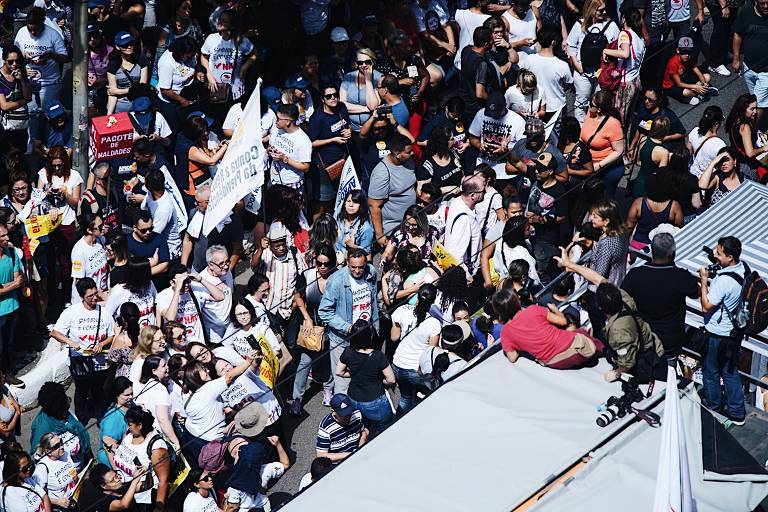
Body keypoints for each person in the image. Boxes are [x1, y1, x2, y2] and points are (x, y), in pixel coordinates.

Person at [621, 233, 700, 360]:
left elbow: (622, 298)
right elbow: (696, 293)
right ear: (672, 254)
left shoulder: (635, 274)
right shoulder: (682, 277)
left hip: (641, 339)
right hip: (669, 344)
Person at [698, 236, 747, 425]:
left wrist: (704, 280)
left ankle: (713, 408)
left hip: (717, 334)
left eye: (719, 254)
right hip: (733, 333)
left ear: (730, 257)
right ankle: (737, 412)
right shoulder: (743, 269)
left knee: (710, 372)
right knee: (730, 371)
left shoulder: (724, 282)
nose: (715, 256)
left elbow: (705, 306)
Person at [52, 278, 114, 424]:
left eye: (95, 294)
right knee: (81, 389)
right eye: (89, 296)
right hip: (79, 359)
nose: (94, 298)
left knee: (98, 388)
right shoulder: (71, 312)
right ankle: (82, 417)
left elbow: (112, 334)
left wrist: (102, 343)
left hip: (99, 359)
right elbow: (55, 332)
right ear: (81, 297)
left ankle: (99, 413)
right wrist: (70, 342)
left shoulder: (104, 312)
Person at [181, 350, 260, 463]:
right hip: (212, 440)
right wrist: (248, 361)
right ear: (196, 376)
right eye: (203, 370)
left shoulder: (187, 395)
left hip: (192, 437)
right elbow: (230, 376)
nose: (207, 370)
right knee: (245, 453)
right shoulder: (208, 388)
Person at [319, 248, 378, 395]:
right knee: (343, 383)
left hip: (366, 338)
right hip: (343, 340)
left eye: (361, 267)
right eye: (353, 267)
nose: (357, 271)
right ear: (347, 263)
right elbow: (324, 311)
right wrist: (348, 328)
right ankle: (343, 415)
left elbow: (374, 300)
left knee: (363, 378)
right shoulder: (337, 281)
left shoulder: (371, 272)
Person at [501, 296, 604, 369]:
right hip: (573, 346)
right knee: (582, 332)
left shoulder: (505, 331)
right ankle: (606, 352)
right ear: (516, 302)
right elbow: (563, 322)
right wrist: (555, 310)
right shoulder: (533, 309)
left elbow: (512, 357)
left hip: (555, 362)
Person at [292, 245, 336, 413]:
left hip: (331, 327)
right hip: (312, 326)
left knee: (329, 359)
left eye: (326, 264)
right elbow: (298, 296)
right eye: (319, 263)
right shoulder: (307, 275)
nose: (323, 267)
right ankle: (297, 398)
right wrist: (307, 318)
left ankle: (328, 388)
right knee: (305, 362)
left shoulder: (338, 277)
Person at [14, 7, 69, 141]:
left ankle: (48, 142)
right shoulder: (21, 33)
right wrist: (22, 59)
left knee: (48, 114)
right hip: (29, 81)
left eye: (36, 29)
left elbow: (65, 57)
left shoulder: (53, 34)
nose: (33, 32)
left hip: (49, 82)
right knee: (31, 112)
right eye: (30, 29)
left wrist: (52, 55)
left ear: (42, 25)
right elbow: (13, 55)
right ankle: (31, 142)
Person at [596, 281, 666, 383]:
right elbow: (599, 279)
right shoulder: (625, 300)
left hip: (648, 364)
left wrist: (616, 373)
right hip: (655, 348)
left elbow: (627, 362)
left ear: (600, 307)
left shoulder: (618, 332)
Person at [337, 320, 396, 434]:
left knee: (362, 426)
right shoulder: (378, 356)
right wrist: (380, 379)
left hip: (354, 398)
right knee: (384, 427)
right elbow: (391, 379)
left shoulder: (348, 352)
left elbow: (339, 372)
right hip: (374, 400)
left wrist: (353, 373)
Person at [251, 225, 305, 349]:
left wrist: (295, 303)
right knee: (274, 344)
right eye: (277, 246)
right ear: (270, 245)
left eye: (283, 245)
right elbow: (254, 266)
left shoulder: (294, 254)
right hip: (270, 309)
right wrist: (260, 248)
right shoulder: (265, 254)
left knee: (292, 344)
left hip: (290, 308)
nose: (281, 248)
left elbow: (302, 278)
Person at [108, 406, 171, 510]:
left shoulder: (157, 448)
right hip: (124, 493)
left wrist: (159, 508)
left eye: (130, 424)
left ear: (140, 425)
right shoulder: (130, 433)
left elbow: (163, 481)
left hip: (142, 501)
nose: (127, 426)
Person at [391, 284, 441, 413]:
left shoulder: (401, 310)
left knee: (405, 396)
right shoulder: (434, 324)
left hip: (397, 363)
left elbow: (394, 337)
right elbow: (431, 351)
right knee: (416, 400)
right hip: (415, 368)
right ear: (433, 300)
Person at [566, 0, 619, 122]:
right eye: (601, 10)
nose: (604, 12)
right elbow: (571, 46)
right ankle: (581, 128)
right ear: (591, 10)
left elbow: (617, 48)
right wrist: (577, 65)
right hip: (583, 73)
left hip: (602, 73)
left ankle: (597, 126)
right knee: (581, 103)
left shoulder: (611, 26)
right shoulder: (579, 25)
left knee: (601, 103)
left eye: (605, 9)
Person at [308, 83, 352, 216]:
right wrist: (333, 140)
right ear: (323, 99)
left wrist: (348, 131)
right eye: (329, 96)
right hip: (324, 165)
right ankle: (317, 230)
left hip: (342, 160)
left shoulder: (342, 108)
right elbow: (311, 142)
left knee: (340, 197)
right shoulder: (317, 118)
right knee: (322, 202)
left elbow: (347, 123)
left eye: (335, 95)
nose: (333, 98)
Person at [367, 133, 417, 246]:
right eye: (408, 152)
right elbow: (374, 206)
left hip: (411, 222)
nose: (412, 153)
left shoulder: (408, 161)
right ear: (398, 154)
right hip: (393, 227)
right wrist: (380, 235)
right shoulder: (382, 173)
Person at [468, 91, 526, 187]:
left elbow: (524, 149)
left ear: (505, 107)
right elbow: (473, 137)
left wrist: (507, 151)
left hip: (504, 174)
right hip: (483, 170)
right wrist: (479, 146)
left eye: (496, 113)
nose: (493, 116)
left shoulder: (518, 121)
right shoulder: (480, 114)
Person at [157, 262, 224, 342]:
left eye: (187, 280)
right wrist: (177, 290)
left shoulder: (195, 289)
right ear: (172, 282)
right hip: (178, 342)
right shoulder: (163, 295)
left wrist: (201, 280)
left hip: (198, 341)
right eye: (182, 282)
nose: (186, 284)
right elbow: (170, 318)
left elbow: (220, 297)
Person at [30, 382, 92, 470]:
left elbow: (81, 432)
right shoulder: (41, 428)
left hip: (83, 463)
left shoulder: (65, 411)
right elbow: (38, 457)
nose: (65, 414)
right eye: (61, 411)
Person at [601, 6, 645, 123]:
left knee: (618, 118)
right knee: (627, 117)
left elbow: (625, 54)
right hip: (636, 79)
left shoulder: (625, 34)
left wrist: (606, 51)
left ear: (624, 19)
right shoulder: (639, 36)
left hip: (625, 82)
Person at [516, 27, 573, 118]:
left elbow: (521, 77)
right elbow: (568, 84)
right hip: (556, 108)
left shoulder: (529, 59)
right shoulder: (562, 65)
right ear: (553, 42)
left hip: (535, 107)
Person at [580, 91, 625, 198]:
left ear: (599, 109)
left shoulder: (613, 124)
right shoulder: (590, 113)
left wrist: (599, 165)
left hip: (607, 169)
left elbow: (619, 151)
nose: (588, 106)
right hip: (589, 164)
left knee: (604, 198)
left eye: (591, 105)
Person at [134, 356, 181, 452]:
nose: (167, 367)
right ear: (154, 371)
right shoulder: (160, 389)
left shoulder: (145, 384)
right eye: (164, 366)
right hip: (161, 436)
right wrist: (176, 442)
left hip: (149, 434)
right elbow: (162, 419)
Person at [626, 173, 683, 251]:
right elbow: (678, 228)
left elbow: (629, 226)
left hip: (637, 247)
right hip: (660, 249)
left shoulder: (639, 203)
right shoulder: (674, 206)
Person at [443, 174, 485, 276]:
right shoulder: (464, 219)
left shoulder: (457, 202)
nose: (485, 192)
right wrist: (466, 275)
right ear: (473, 196)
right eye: (483, 191)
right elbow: (456, 253)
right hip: (467, 273)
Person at [732, 0, 768, 120]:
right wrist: (736, 58)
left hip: (766, 72)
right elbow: (738, 34)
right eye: (762, 3)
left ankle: (753, 133)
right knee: (754, 99)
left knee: (758, 104)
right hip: (749, 68)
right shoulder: (746, 11)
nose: (766, 6)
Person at [192, 245, 234, 343]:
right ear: (211, 264)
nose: (226, 266)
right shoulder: (199, 283)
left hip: (230, 326)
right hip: (213, 333)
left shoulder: (227, 273)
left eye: (227, 261)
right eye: (221, 264)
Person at [268, 103, 312, 190]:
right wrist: (269, 150)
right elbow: (270, 146)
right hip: (273, 181)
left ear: (288, 121)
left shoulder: (303, 140)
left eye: (278, 118)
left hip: (291, 185)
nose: (275, 120)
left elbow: (306, 168)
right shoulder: (276, 130)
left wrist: (285, 159)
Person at [315, 393, 369, 463]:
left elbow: (363, 431)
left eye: (349, 413)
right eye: (343, 415)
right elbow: (321, 455)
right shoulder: (326, 427)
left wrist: (362, 442)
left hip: (358, 456)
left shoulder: (356, 414)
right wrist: (350, 455)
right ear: (333, 412)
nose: (348, 417)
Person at [105, 257, 157, 328]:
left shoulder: (149, 284)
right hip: (131, 335)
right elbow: (107, 314)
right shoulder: (119, 290)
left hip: (150, 333)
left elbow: (156, 304)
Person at [0, 224, 23, 386]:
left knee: (9, 343)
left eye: (6, 235)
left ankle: (7, 373)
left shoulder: (12, 253)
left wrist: (6, 287)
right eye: (2, 236)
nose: (6, 238)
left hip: (13, 307)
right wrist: (13, 285)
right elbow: (16, 282)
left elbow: (19, 278)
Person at [661, 36, 714, 106]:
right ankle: (696, 94)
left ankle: (699, 93)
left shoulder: (689, 57)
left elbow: (698, 73)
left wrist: (703, 83)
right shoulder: (673, 63)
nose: (686, 55)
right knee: (687, 92)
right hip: (671, 86)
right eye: (684, 52)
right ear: (678, 50)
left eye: (689, 52)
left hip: (684, 78)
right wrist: (696, 87)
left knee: (707, 77)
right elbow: (679, 84)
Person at [339, 48, 381, 132]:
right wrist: (365, 109)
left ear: (372, 62)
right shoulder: (348, 77)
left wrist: (368, 80)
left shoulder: (378, 77)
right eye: (360, 62)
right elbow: (341, 104)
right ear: (356, 64)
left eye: (367, 62)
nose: (364, 65)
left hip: (372, 129)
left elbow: (373, 106)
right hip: (351, 129)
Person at [33, 432, 79, 511]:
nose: (62, 447)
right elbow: (37, 495)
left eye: (61, 442)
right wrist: (58, 502)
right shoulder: (42, 467)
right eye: (57, 446)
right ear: (48, 451)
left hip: (76, 498)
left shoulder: (65, 454)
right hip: (61, 507)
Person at [106, 31, 149, 114]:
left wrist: (118, 91)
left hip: (138, 108)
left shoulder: (141, 59)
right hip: (119, 109)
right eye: (125, 45)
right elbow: (112, 94)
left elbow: (142, 87)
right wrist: (109, 115)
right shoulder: (113, 64)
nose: (129, 47)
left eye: (131, 43)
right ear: (118, 47)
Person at [726, 93, 766, 182]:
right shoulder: (745, 127)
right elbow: (750, 153)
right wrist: (764, 148)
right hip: (748, 165)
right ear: (743, 109)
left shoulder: (734, 120)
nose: (755, 112)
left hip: (738, 159)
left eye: (756, 108)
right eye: (752, 109)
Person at [70, 213, 109, 304]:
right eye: (100, 227)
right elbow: (79, 282)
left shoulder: (100, 240)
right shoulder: (79, 252)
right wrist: (97, 294)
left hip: (101, 295)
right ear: (89, 230)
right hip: (87, 300)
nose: (103, 227)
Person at [0, 45, 32, 154]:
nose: (14, 64)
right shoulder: (0, 78)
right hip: (5, 128)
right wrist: (23, 101)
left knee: (20, 155)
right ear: (4, 61)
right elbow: (4, 105)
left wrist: (21, 80)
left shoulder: (21, 73)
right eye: (11, 61)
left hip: (21, 126)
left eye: (17, 61)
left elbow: (28, 96)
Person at [631, 116, 671, 199]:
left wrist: (646, 164)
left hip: (639, 182)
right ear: (666, 131)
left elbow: (636, 160)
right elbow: (660, 175)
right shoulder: (663, 152)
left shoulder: (643, 139)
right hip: (651, 187)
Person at [81, 462, 148, 512]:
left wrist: (147, 472)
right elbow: (123, 504)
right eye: (112, 480)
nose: (118, 479)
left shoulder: (122, 486)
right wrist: (135, 480)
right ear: (104, 486)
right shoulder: (105, 501)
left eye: (116, 476)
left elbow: (148, 485)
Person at [97, 377, 133, 467]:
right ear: (117, 395)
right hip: (113, 460)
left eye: (132, 393)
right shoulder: (113, 419)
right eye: (127, 395)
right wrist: (118, 471)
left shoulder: (129, 405)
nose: (131, 397)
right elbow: (109, 448)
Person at [335, 189, 374, 260]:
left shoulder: (365, 228)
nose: (351, 205)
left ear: (361, 206)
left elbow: (367, 253)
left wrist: (354, 246)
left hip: (351, 260)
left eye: (355, 202)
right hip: (335, 254)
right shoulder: (338, 215)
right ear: (344, 204)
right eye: (348, 201)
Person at [688, 106, 727, 178]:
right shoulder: (720, 145)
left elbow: (688, 152)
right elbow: (725, 167)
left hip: (692, 173)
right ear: (716, 124)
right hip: (707, 178)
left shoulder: (695, 131)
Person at [0, 371, 20, 443]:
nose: (4, 376)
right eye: (2, 376)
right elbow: (6, 433)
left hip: (13, 440)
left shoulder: (4, 389)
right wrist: (17, 414)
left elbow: (17, 406)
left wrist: (18, 409)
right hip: (3, 446)